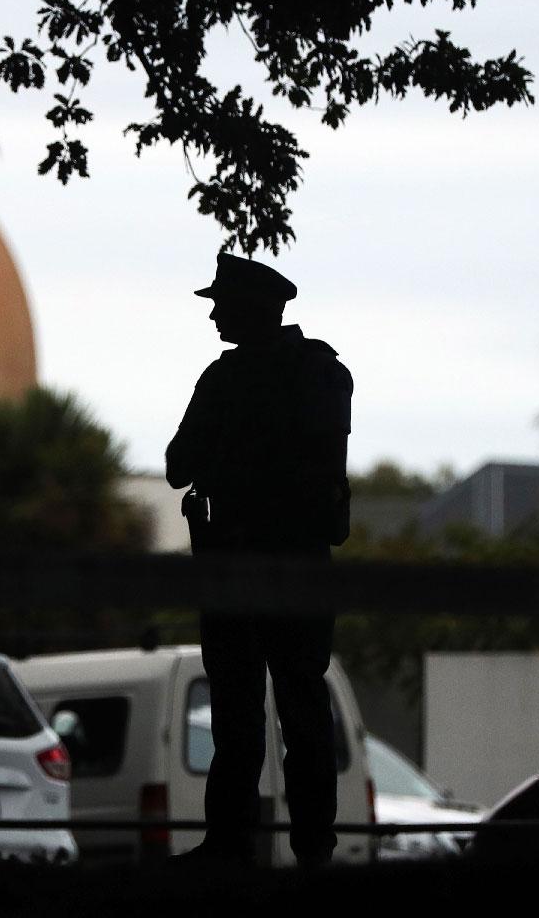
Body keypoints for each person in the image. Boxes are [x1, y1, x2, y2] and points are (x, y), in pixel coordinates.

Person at [165, 253, 352, 868]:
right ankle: (312, 850)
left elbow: (176, 464)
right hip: (301, 566)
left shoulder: (226, 381)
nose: (215, 312)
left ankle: (230, 845)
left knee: (240, 715)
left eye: (223, 303)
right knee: (302, 711)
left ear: (250, 309)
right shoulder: (323, 373)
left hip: (237, 567)